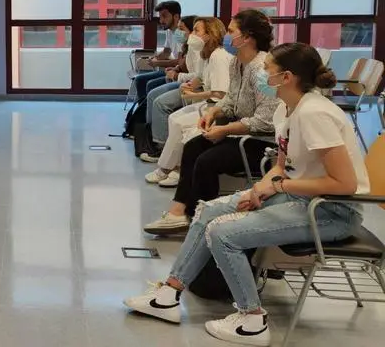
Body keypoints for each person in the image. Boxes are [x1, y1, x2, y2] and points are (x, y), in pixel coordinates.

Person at [125, 43, 370, 346]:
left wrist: (279, 187)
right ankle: (168, 294)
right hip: (300, 198)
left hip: (331, 211)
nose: (264, 75)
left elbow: (343, 184)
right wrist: (258, 190)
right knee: (208, 211)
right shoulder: (289, 107)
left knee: (223, 233)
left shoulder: (315, 114)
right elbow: (282, 166)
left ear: (287, 77)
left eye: (269, 71)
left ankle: (252, 320)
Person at [144, 10, 279, 235]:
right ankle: (178, 213)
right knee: (193, 146)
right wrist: (214, 113)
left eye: (231, 31)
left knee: (207, 160)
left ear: (247, 37)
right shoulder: (238, 63)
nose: (226, 36)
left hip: (261, 143)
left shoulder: (262, 69)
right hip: (240, 132)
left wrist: (225, 129)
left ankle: (201, 218)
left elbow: (265, 122)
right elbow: (231, 99)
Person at [145, 17, 233, 186]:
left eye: (196, 31)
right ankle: (168, 167)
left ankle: (171, 169)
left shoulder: (219, 56)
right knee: (174, 119)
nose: (192, 34)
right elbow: (200, 76)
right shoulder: (208, 54)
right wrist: (189, 85)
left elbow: (220, 93)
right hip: (209, 103)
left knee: (180, 124)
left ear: (209, 35)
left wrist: (193, 95)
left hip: (217, 106)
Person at [139, 15, 200, 163]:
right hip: (186, 81)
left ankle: (162, 148)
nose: (178, 32)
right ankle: (151, 137)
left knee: (160, 101)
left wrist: (177, 75)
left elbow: (199, 75)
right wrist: (177, 68)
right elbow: (184, 64)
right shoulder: (188, 46)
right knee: (152, 92)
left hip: (193, 86)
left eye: (182, 29)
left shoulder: (198, 49)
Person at [134, 1, 183, 101]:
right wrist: (155, 58)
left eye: (164, 16)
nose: (161, 21)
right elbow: (166, 52)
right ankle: (143, 113)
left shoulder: (181, 34)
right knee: (139, 80)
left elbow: (180, 61)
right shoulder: (169, 31)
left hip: (179, 71)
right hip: (170, 69)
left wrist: (157, 63)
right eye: (160, 17)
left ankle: (148, 112)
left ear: (176, 16)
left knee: (150, 85)